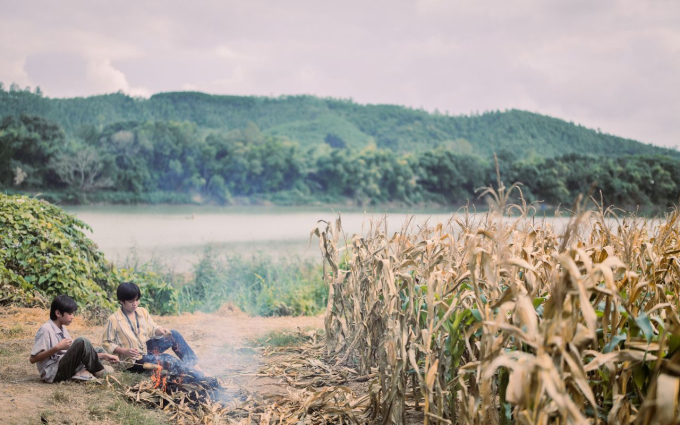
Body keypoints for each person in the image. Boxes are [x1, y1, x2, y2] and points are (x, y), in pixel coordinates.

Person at [102, 282, 202, 375]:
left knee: (174, 334)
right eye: (131, 301)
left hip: (144, 350)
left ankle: (197, 368)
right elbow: (106, 342)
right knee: (167, 358)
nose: (135, 303)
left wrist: (160, 331)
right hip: (132, 360)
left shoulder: (142, 312)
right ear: (121, 301)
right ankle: (194, 374)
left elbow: (152, 328)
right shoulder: (113, 319)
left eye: (137, 300)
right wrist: (124, 351)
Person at [30, 295, 118, 383]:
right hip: (54, 372)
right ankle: (96, 371)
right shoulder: (45, 329)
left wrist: (105, 356)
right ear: (58, 313)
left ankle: (83, 372)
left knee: (99, 350)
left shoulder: (62, 328)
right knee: (82, 341)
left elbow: (79, 354)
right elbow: (33, 359)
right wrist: (57, 348)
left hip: (64, 363)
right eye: (70, 313)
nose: (73, 317)